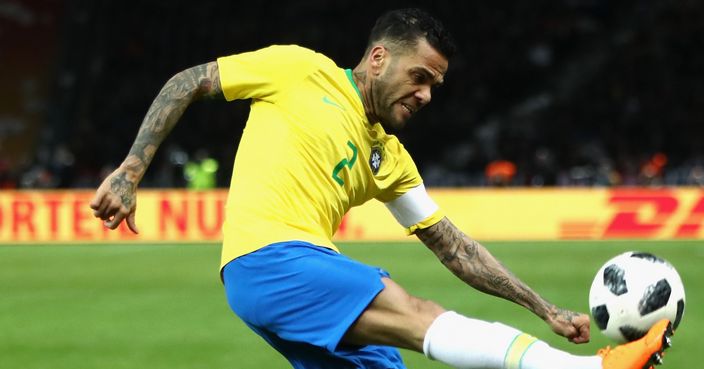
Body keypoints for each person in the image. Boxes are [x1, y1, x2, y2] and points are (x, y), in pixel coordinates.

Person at [90, 8, 673, 369]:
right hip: (269, 260)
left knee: (385, 364)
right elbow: (192, 81)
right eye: (419, 76)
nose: (426, 94)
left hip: (285, 276)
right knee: (416, 313)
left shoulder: (389, 157)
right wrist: (130, 170)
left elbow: (455, 248)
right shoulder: (298, 69)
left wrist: (542, 307)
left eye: (435, 85)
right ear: (377, 58)